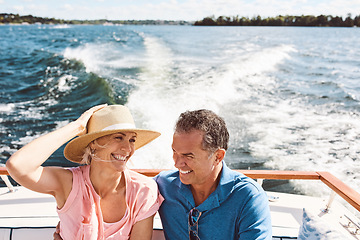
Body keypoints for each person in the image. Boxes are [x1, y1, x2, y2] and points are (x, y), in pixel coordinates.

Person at [6, 104, 164, 240]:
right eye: (118, 138)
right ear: (93, 143)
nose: (127, 148)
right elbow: (17, 166)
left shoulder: (144, 190)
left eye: (132, 140)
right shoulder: (69, 183)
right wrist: (77, 126)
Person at [154, 109, 272, 239]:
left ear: (218, 156)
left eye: (188, 156)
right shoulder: (162, 185)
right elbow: (130, 190)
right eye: (175, 152)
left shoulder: (249, 197)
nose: (177, 163)